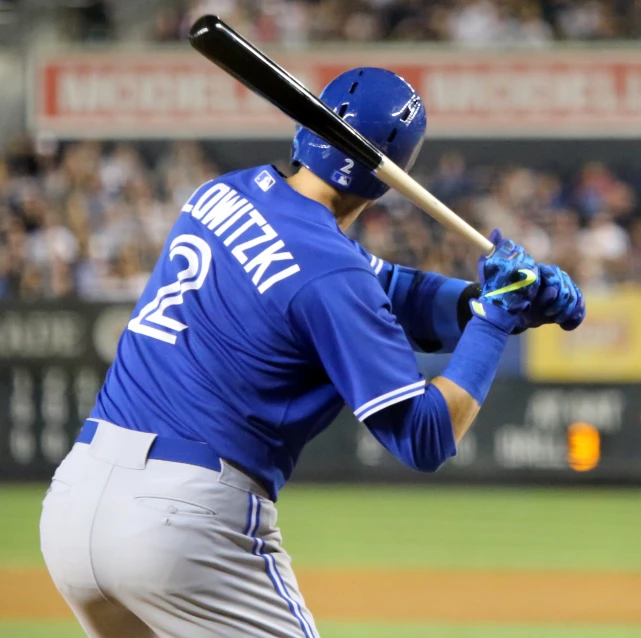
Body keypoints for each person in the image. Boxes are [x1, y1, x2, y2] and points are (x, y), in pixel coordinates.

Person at [40, 67, 585, 638]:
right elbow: (424, 438)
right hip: (185, 523)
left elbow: (388, 291)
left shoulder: (226, 190)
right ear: (390, 176)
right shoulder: (333, 272)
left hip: (75, 502)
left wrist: (496, 302)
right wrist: (494, 323)